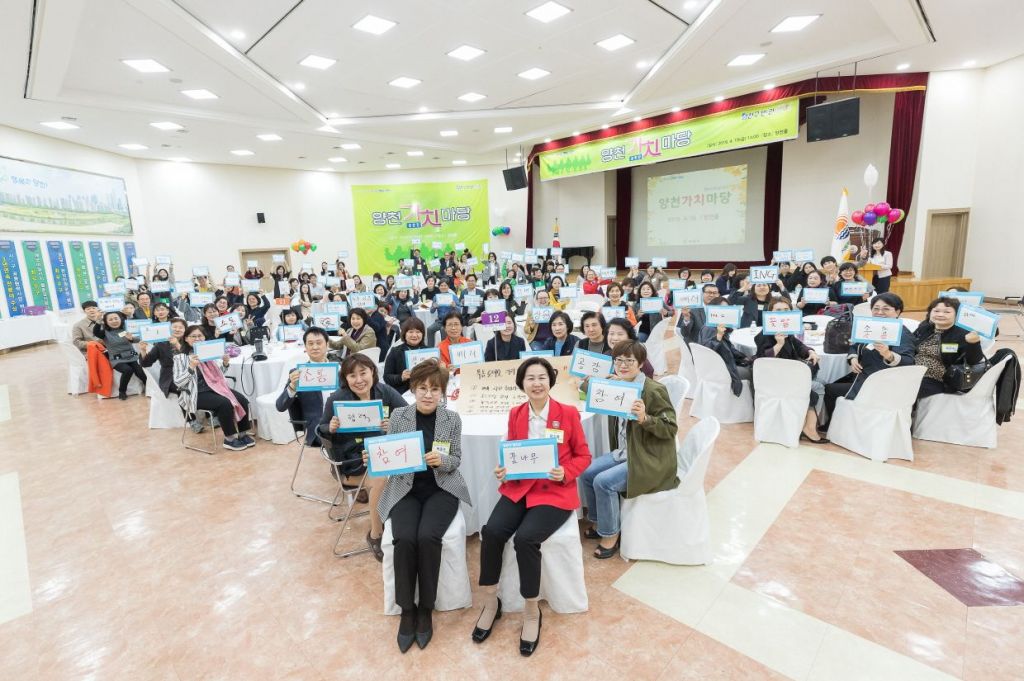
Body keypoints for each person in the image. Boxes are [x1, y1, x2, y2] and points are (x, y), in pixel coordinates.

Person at [472, 358, 592, 655]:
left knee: (526, 539)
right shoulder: (516, 414)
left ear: (550, 381)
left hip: (554, 491)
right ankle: (491, 601)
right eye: (530, 378)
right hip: (520, 487)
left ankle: (531, 610)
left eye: (541, 377)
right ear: (522, 384)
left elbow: (583, 455)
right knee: (492, 532)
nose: (537, 383)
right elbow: (511, 453)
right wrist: (503, 469)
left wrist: (566, 472)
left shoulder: (568, 413)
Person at [370, 360, 471, 652]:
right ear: (413, 389)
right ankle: (407, 609)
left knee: (428, 537)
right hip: (406, 488)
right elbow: (389, 455)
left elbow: (456, 459)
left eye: (434, 389)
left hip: (441, 488)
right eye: (422, 388)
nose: (428, 394)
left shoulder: (452, 419)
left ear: (442, 392)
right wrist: (375, 458)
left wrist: (443, 460)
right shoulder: (399, 416)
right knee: (404, 538)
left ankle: (426, 607)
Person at [579, 341, 678, 559]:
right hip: (626, 451)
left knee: (603, 482)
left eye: (629, 361)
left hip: (649, 457)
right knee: (586, 473)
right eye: (618, 360)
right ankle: (600, 521)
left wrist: (645, 418)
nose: (622, 365)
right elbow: (591, 391)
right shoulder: (619, 385)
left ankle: (611, 534)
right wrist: (589, 381)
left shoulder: (653, 390)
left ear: (641, 364)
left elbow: (670, 428)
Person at [321, 353, 407, 558]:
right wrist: (330, 427)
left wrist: (394, 423)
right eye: (352, 375)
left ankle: (404, 524)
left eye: (363, 373)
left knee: (411, 466)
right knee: (380, 479)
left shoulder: (384, 391)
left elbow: (408, 415)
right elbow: (320, 429)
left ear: (373, 372)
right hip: (350, 464)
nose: (359, 380)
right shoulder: (337, 399)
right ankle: (376, 535)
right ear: (345, 378)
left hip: (383, 455)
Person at [821, 293, 917, 428]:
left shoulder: (903, 334)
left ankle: (837, 426)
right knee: (830, 386)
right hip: (864, 376)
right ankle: (840, 423)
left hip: (882, 383)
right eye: (876, 308)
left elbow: (909, 362)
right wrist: (853, 358)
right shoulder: (872, 327)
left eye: (886, 309)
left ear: (897, 312)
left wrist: (888, 355)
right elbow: (854, 345)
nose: (880, 312)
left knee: (831, 390)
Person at [754, 299, 827, 443]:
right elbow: (763, 362)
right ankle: (809, 428)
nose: (783, 314)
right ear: (770, 313)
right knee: (818, 386)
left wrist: (810, 351)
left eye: (786, 310)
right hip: (774, 379)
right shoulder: (763, 335)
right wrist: (779, 344)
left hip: (789, 376)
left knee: (822, 382)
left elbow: (799, 345)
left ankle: (807, 423)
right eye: (778, 310)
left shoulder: (788, 331)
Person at [173, 324, 254, 450]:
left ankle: (243, 434)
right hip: (196, 393)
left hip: (216, 388)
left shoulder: (208, 353)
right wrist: (191, 367)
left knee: (242, 399)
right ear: (186, 339)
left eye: (200, 336)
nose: (197, 338)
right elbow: (178, 382)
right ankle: (229, 439)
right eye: (193, 336)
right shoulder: (180, 358)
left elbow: (218, 376)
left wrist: (225, 363)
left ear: (204, 338)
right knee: (225, 403)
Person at [912, 297, 985, 400]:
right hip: (914, 373)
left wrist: (974, 343)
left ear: (957, 315)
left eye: (947, 312)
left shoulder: (963, 334)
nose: (940, 314)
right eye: (936, 311)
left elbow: (974, 361)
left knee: (911, 389)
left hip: (941, 379)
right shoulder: (924, 329)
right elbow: (910, 347)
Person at [276, 327, 335, 448]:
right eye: (310, 343)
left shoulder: (340, 369)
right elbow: (280, 406)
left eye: (319, 343)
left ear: (327, 345)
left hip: (341, 423)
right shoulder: (299, 374)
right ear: (305, 347)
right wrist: (293, 386)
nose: (315, 347)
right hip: (318, 428)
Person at [697, 297, 752, 395]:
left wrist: (744, 357)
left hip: (723, 366)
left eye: (727, 309)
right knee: (753, 372)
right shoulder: (709, 328)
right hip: (719, 371)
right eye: (721, 309)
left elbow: (729, 349)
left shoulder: (720, 327)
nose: (724, 312)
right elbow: (706, 352)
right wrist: (718, 336)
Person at [92, 311, 148, 400]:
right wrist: (98, 321)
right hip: (117, 359)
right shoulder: (105, 333)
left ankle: (149, 387)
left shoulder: (126, 328)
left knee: (140, 371)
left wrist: (131, 339)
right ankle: (122, 391)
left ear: (120, 319)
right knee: (128, 370)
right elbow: (96, 332)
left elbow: (139, 339)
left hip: (132, 356)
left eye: (116, 318)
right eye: (110, 319)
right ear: (106, 322)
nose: (114, 321)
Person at [139, 317, 188, 398]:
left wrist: (177, 344)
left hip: (188, 373)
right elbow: (145, 363)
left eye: (180, 327)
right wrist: (143, 350)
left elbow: (189, 360)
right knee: (183, 387)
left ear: (185, 330)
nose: (177, 329)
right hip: (170, 376)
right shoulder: (161, 344)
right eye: (174, 327)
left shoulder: (189, 342)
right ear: (168, 328)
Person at [383, 318, 427, 394]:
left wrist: (441, 370)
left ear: (422, 334)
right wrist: (401, 377)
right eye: (410, 332)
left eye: (418, 332)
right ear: (404, 334)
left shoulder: (428, 351)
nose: (414, 335)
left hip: (426, 391)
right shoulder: (395, 352)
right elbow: (387, 377)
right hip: (403, 392)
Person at [424, 280, 462, 348]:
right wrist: (434, 307)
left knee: (443, 330)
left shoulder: (453, 296)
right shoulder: (436, 297)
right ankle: (430, 349)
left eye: (445, 285)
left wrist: (455, 306)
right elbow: (431, 311)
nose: (443, 287)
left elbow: (459, 311)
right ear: (439, 287)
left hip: (450, 321)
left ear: (448, 287)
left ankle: (444, 348)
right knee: (429, 329)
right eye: (441, 285)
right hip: (440, 321)